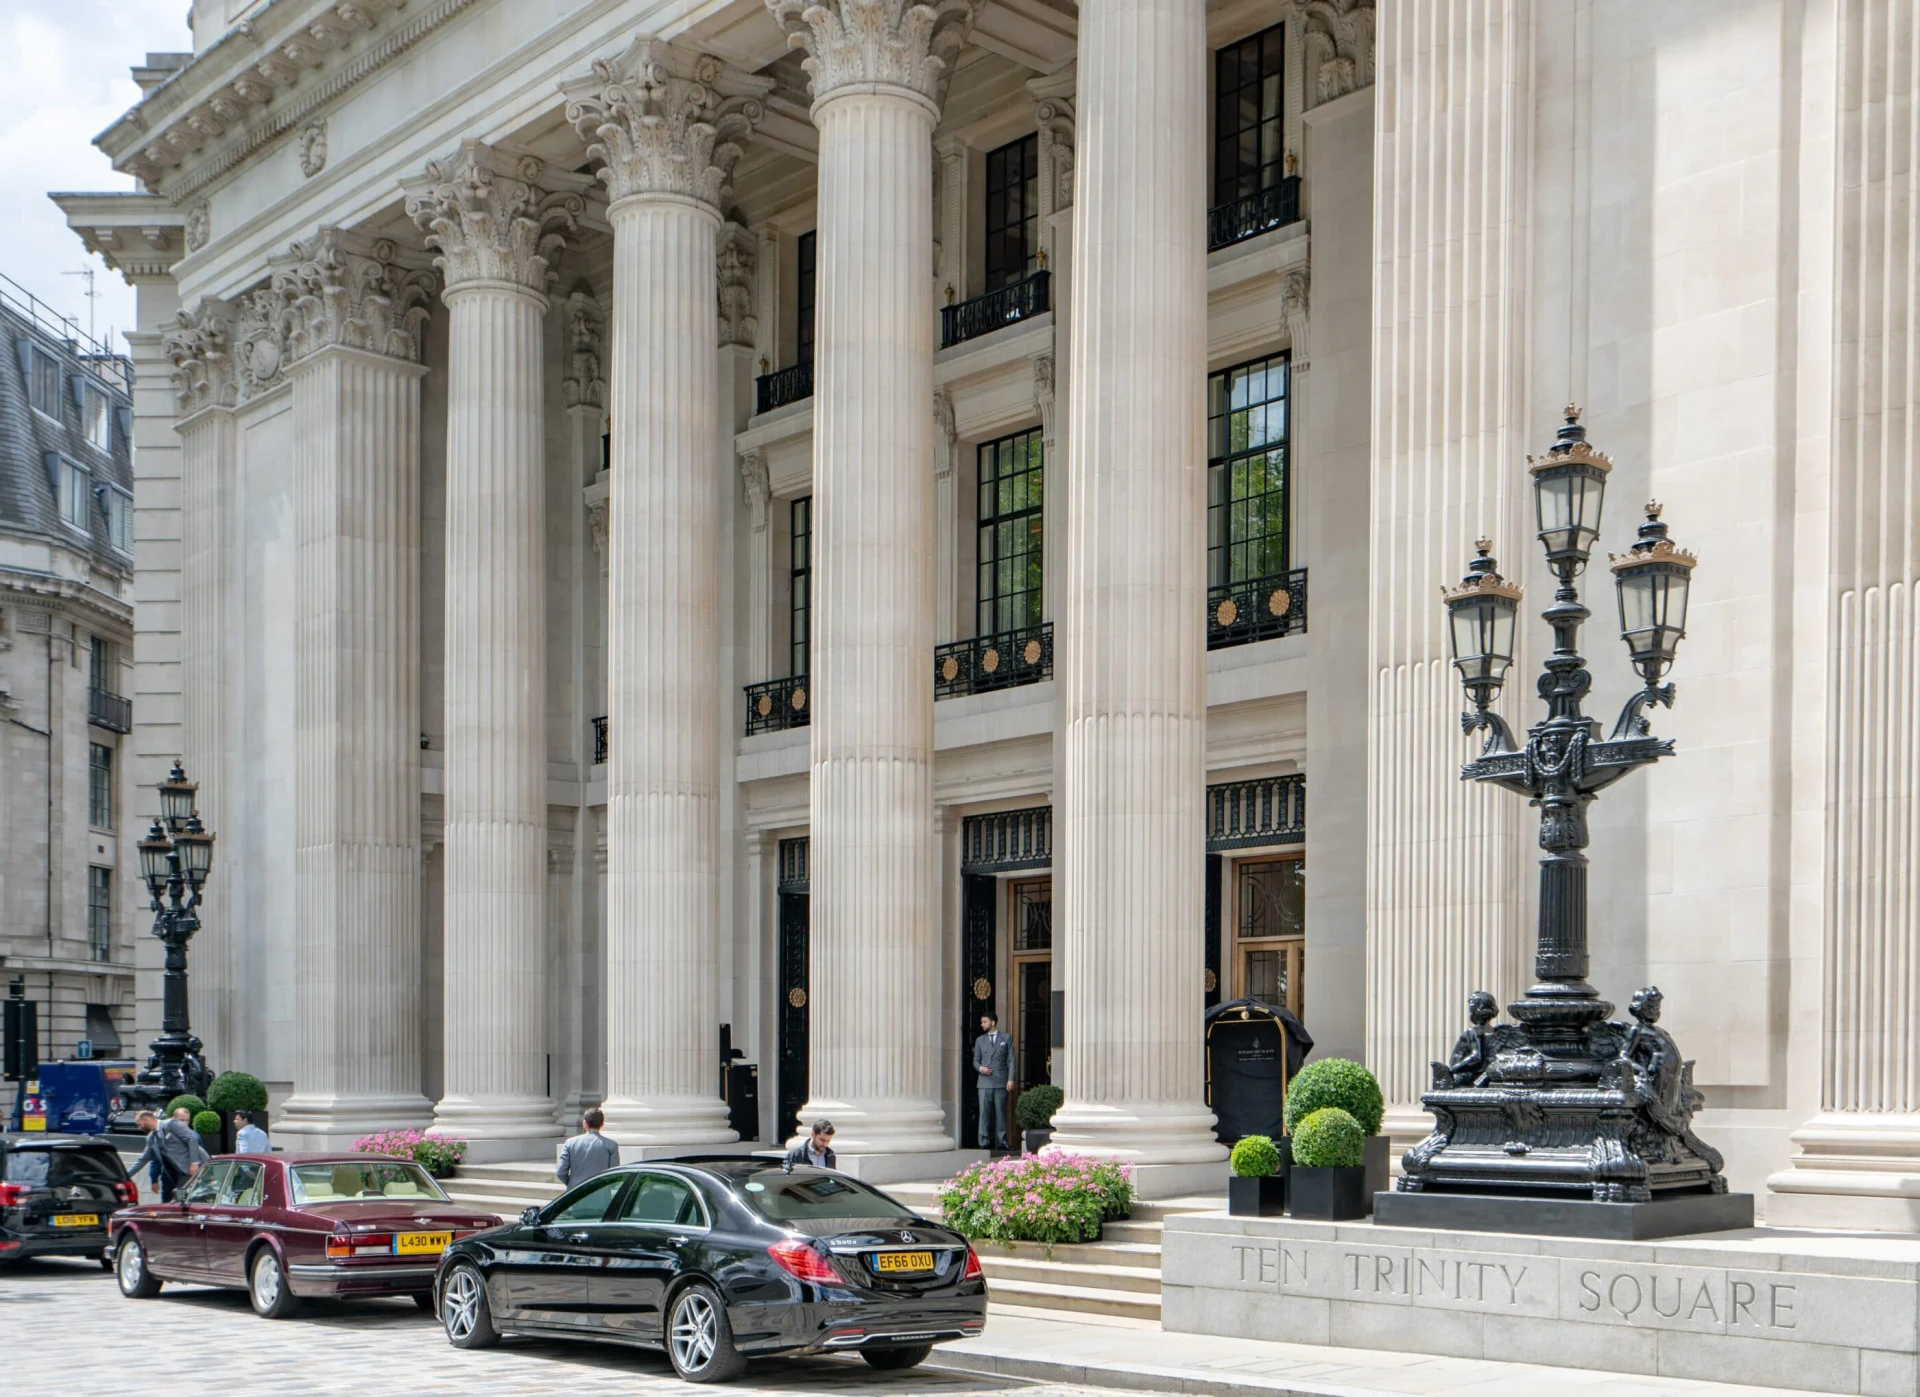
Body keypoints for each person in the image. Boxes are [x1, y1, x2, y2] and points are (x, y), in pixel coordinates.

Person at [129, 1107, 208, 1202]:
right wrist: (125, 1175)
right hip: (180, 1174)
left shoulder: (171, 1124)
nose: (139, 1128)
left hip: (198, 1168)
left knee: (182, 1201)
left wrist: (194, 1163)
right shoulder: (151, 1138)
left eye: (139, 1124)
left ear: (147, 1120)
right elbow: (143, 1159)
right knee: (180, 1201)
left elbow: (192, 1139)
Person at [972, 1012, 1014, 1154]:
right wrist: (981, 1068)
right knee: (984, 1114)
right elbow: (975, 1061)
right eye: (982, 1022)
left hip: (1001, 1081)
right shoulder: (979, 1040)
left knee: (1001, 1113)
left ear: (993, 1022)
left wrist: (1011, 1078)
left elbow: (1011, 1060)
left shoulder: (1006, 1038)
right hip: (984, 1082)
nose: (982, 1024)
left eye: (984, 1022)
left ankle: (1002, 1142)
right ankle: (984, 1142)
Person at [555, 1108, 620, 1187]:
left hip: (576, 1190)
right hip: (600, 1190)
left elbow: (560, 1172)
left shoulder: (570, 1143)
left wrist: (571, 1184)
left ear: (584, 1123)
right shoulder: (611, 1145)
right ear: (602, 1124)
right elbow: (614, 1173)